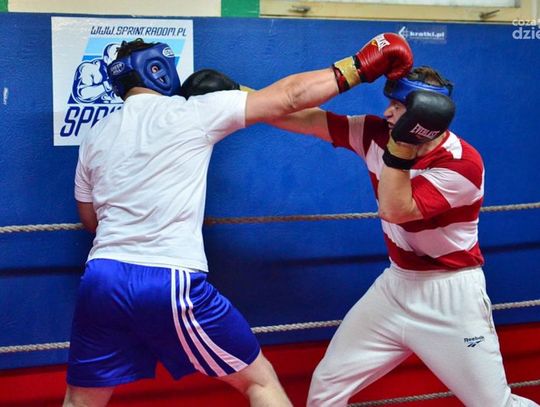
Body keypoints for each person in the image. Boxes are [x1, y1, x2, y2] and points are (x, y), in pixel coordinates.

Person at [64, 34, 413, 407]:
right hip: (169, 280)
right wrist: (361, 64)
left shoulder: (95, 135)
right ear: (158, 69)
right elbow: (291, 97)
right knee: (259, 383)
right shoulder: (191, 111)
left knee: (80, 400)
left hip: (101, 278)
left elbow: (90, 219)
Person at [234, 65, 537, 406]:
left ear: (426, 117)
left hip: (450, 296)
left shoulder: (462, 164)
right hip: (395, 287)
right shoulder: (375, 133)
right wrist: (237, 95)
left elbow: (396, 209)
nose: (387, 112)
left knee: (495, 404)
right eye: (390, 103)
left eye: (399, 106)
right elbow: (306, 119)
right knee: (327, 385)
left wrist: (401, 147)